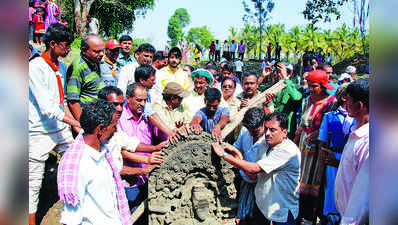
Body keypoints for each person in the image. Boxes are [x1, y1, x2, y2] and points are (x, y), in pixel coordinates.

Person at [29, 23, 80, 225]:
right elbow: (48, 107)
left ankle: (74, 209)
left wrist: (76, 126)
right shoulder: (35, 68)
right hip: (38, 131)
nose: (68, 50)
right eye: (66, 46)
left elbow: (61, 101)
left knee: (77, 160)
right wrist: (75, 121)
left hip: (59, 128)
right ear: (52, 44)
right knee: (32, 183)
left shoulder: (61, 67)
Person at [211, 111, 301, 225]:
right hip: (262, 205)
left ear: (284, 132)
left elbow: (254, 169)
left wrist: (224, 155)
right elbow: (252, 175)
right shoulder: (264, 144)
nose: (267, 133)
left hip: (281, 207)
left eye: (272, 130)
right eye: (266, 128)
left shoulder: (287, 150)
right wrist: (236, 153)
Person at [58, 100, 131, 225]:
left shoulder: (103, 152)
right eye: (114, 127)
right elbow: (70, 219)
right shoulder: (77, 164)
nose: (115, 131)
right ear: (101, 129)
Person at [117, 83, 168, 218]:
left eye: (145, 100)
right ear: (128, 98)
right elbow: (121, 149)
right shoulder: (119, 119)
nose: (143, 104)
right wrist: (147, 159)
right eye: (139, 100)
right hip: (129, 178)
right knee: (130, 213)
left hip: (147, 175)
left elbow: (161, 136)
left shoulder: (147, 116)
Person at [293, 70, 336, 223]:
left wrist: (319, 132)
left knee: (313, 181)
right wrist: (295, 141)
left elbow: (331, 126)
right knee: (299, 178)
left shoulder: (331, 103)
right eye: (309, 86)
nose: (311, 89)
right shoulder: (308, 100)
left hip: (317, 147)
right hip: (303, 145)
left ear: (323, 86)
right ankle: (297, 213)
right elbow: (301, 124)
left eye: (315, 86)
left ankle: (309, 215)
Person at [318, 83, 356, 224]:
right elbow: (323, 142)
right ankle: (332, 217)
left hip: (351, 159)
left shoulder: (358, 118)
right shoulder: (330, 117)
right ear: (345, 98)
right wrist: (322, 164)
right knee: (333, 189)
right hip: (333, 158)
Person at [334, 78, 369, 225]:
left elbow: (366, 196)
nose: (345, 103)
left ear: (359, 106)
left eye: (347, 100)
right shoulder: (356, 133)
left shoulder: (368, 142)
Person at [233, 108, 266, 224]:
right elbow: (236, 148)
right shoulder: (244, 131)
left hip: (261, 185)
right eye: (249, 130)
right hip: (245, 181)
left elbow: (254, 175)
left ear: (263, 124)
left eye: (255, 131)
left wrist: (239, 161)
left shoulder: (268, 141)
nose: (251, 134)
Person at [66, 34, 105, 124]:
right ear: (84, 50)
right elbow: (73, 100)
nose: (102, 54)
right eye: (97, 51)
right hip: (87, 120)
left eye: (102, 50)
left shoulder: (95, 61)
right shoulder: (78, 68)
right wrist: (82, 125)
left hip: (98, 117)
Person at [265, 62, 302, 140]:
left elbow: (296, 97)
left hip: (287, 131)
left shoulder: (295, 88)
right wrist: (262, 77)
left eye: (280, 72)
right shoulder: (273, 88)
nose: (278, 74)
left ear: (290, 73)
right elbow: (258, 95)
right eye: (276, 71)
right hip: (272, 129)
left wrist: (285, 78)